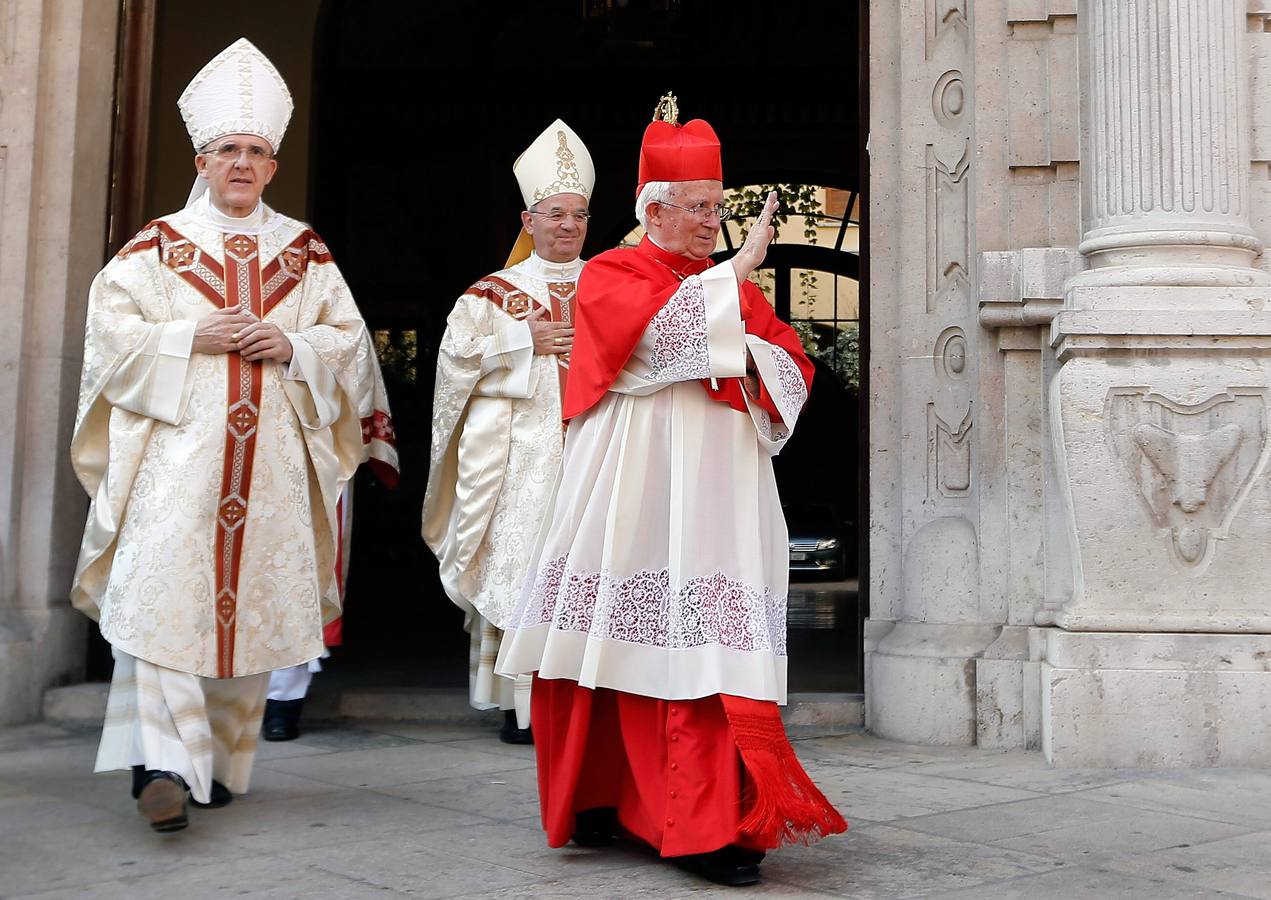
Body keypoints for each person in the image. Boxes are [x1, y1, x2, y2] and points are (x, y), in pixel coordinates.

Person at [496, 96, 846, 885]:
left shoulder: (721, 283)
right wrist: (733, 291)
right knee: (619, 635)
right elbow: (650, 346)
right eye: (696, 208)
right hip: (633, 482)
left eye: (716, 209)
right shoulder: (612, 271)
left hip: (720, 488)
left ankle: (708, 823)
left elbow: (786, 361)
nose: (709, 223)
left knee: (705, 648)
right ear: (651, 209)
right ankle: (608, 803)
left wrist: (744, 334)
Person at [69, 38, 396, 832]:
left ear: (273, 166)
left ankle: (214, 763)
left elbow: (347, 342)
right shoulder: (153, 246)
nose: (241, 164)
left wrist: (294, 346)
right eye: (227, 151)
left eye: (255, 152)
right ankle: (162, 766)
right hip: (179, 462)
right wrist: (189, 336)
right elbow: (109, 339)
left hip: (271, 463)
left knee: (247, 607)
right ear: (201, 160)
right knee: (161, 599)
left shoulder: (306, 250)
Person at [423, 120, 593, 744]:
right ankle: (516, 703)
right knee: (519, 567)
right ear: (528, 221)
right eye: (555, 214)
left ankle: (578, 696)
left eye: (578, 215)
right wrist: (524, 342)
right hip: (516, 462)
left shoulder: (609, 286)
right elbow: (451, 366)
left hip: (591, 451)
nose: (568, 225)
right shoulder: (490, 295)